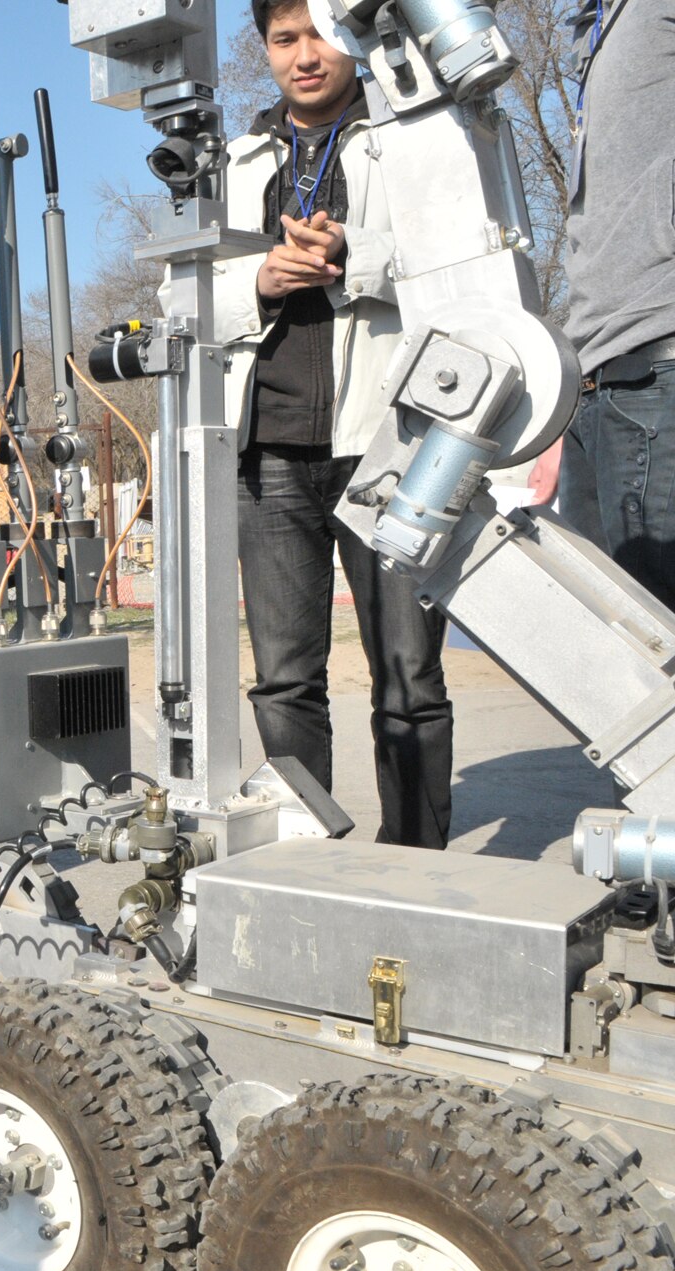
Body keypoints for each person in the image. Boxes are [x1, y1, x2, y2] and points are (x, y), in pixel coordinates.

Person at [194, 0, 452, 848]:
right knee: (284, 681)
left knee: (409, 675)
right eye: (284, 39)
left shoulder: (415, 134)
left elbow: (459, 265)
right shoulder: (231, 163)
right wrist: (259, 282)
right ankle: (309, 870)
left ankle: (416, 868)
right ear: (264, 49)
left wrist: (353, 256)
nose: (305, 55)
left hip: (390, 445)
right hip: (267, 451)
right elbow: (183, 299)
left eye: (322, 35)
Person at [556, 0, 675, 614]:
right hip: (595, 371)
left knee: (659, 646)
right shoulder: (596, 28)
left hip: (659, 357)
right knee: (613, 654)